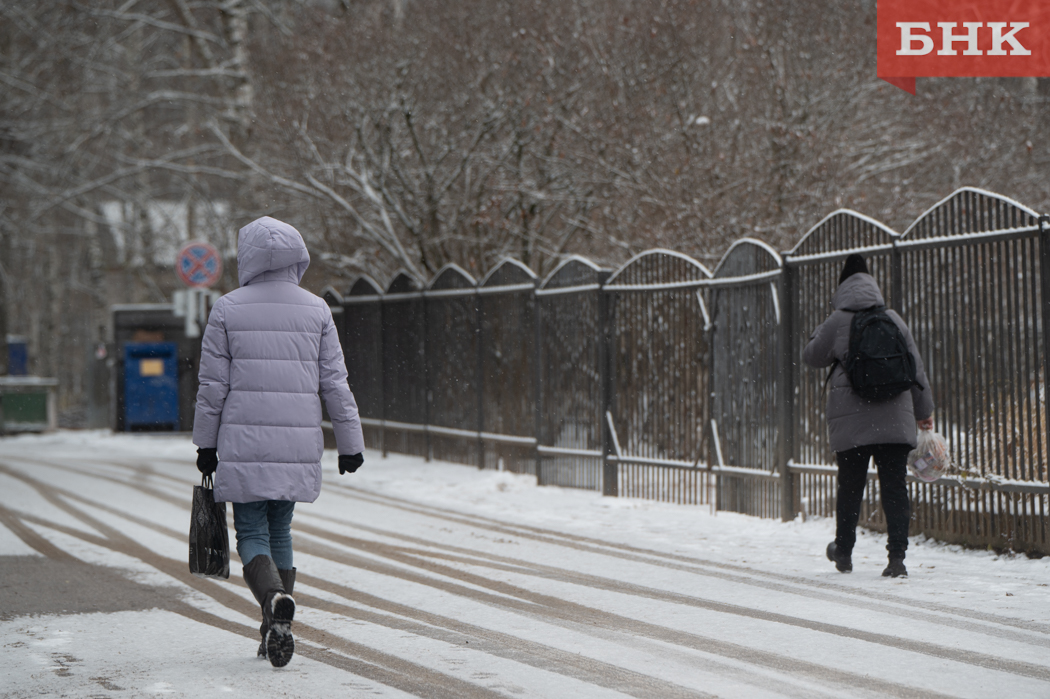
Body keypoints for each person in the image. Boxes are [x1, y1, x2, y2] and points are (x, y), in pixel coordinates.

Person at [192, 216, 365, 666]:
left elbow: (212, 386)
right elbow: (335, 382)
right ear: (298, 256)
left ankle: (272, 601)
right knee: (280, 529)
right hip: (296, 442)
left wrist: (206, 445)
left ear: (245, 256)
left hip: (243, 440)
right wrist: (350, 442)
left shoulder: (227, 308)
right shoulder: (317, 309)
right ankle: (276, 621)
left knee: (250, 530)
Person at [803, 254, 933, 578]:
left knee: (850, 488)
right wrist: (924, 411)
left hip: (853, 423)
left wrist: (828, 322)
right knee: (894, 488)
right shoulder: (894, 319)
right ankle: (897, 559)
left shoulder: (837, 321)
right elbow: (915, 367)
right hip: (894, 419)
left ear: (842, 287)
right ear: (872, 284)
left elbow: (812, 356)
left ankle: (844, 552)